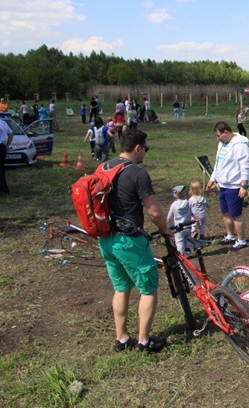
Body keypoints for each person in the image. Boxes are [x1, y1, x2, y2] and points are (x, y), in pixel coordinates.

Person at [98, 128, 172, 353]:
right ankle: (144, 341)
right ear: (137, 148)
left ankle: (121, 338)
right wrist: (166, 230)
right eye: (145, 149)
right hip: (129, 240)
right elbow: (155, 212)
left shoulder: (103, 167)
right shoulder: (137, 173)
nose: (145, 154)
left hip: (106, 238)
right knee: (148, 289)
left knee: (121, 288)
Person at [206, 121, 249, 251]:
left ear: (226, 132)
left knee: (236, 214)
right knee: (225, 212)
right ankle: (230, 235)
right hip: (223, 185)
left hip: (234, 185)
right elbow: (218, 163)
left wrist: (244, 186)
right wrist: (212, 178)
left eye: (219, 135)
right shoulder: (222, 144)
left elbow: (245, 166)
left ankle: (241, 240)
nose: (218, 138)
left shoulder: (240, 145)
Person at [167, 185, 192, 254]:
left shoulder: (173, 205)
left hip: (179, 228)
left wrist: (168, 221)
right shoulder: (187, 203)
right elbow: (191, 211)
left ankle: (181, 254)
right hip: (188, 226)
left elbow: (170, 216)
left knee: (179, 241)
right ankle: (187, 248)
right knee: (187, 237)